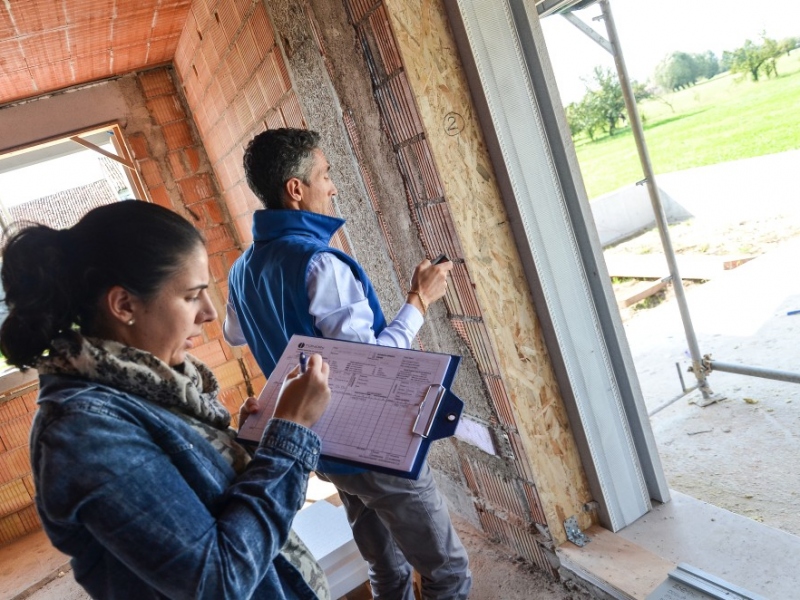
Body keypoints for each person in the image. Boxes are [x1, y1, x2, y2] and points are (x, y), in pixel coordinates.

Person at [0, 201, 333, 600]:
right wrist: (289, 435)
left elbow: (199, 498)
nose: (210, 313)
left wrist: (248, 449)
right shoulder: (82, 433)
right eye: (192, 296)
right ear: (124, 305)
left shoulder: (144, 386)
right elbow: (217, 581)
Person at [224, 128, 472, 600]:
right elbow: (375, 367)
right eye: (325, 175)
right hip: (373, 446)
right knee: (448, 571)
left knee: (385, 565)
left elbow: (235, 334)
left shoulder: (241, 270)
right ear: (295, 189)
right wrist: (419, 300)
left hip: (322, 446)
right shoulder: (321, 265)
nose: (333, 187)